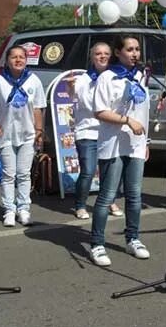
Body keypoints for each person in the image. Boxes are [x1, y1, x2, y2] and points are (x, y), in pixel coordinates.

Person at [89, 35, 150, 267]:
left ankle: (132, 238)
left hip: (135, 144)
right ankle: (97, 243)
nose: (135, 53)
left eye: (137, 49)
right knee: (107, 195)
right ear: (118, 52)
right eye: (130, 49)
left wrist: (147, 141)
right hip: (112, 143)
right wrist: (126, 121)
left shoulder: (140, 76)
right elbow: (100, 112)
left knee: (134, 195)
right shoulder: (107, 77)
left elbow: (143, 111)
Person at [0, 44, 46, 227]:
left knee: (24, 174)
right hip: (6, 134)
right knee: (8, 174)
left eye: (22, 57)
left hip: (28, 134)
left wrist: (39, 131)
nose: (18, 60)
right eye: (14, 57)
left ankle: (24, 208)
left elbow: (38, 108)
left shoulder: (33, 80)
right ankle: (9, 210)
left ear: (26, 61)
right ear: (7, 61)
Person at [68, 42, 123, 220]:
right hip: (87, 131)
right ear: (92, 57)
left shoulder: (115, 77)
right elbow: (90, 105)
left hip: (108, 131)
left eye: (106, 53)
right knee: (89, 170)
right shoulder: (84, 79)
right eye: (98, 53)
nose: (102, 56)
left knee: (110, 171)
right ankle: (80, 204)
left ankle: (109, 201)